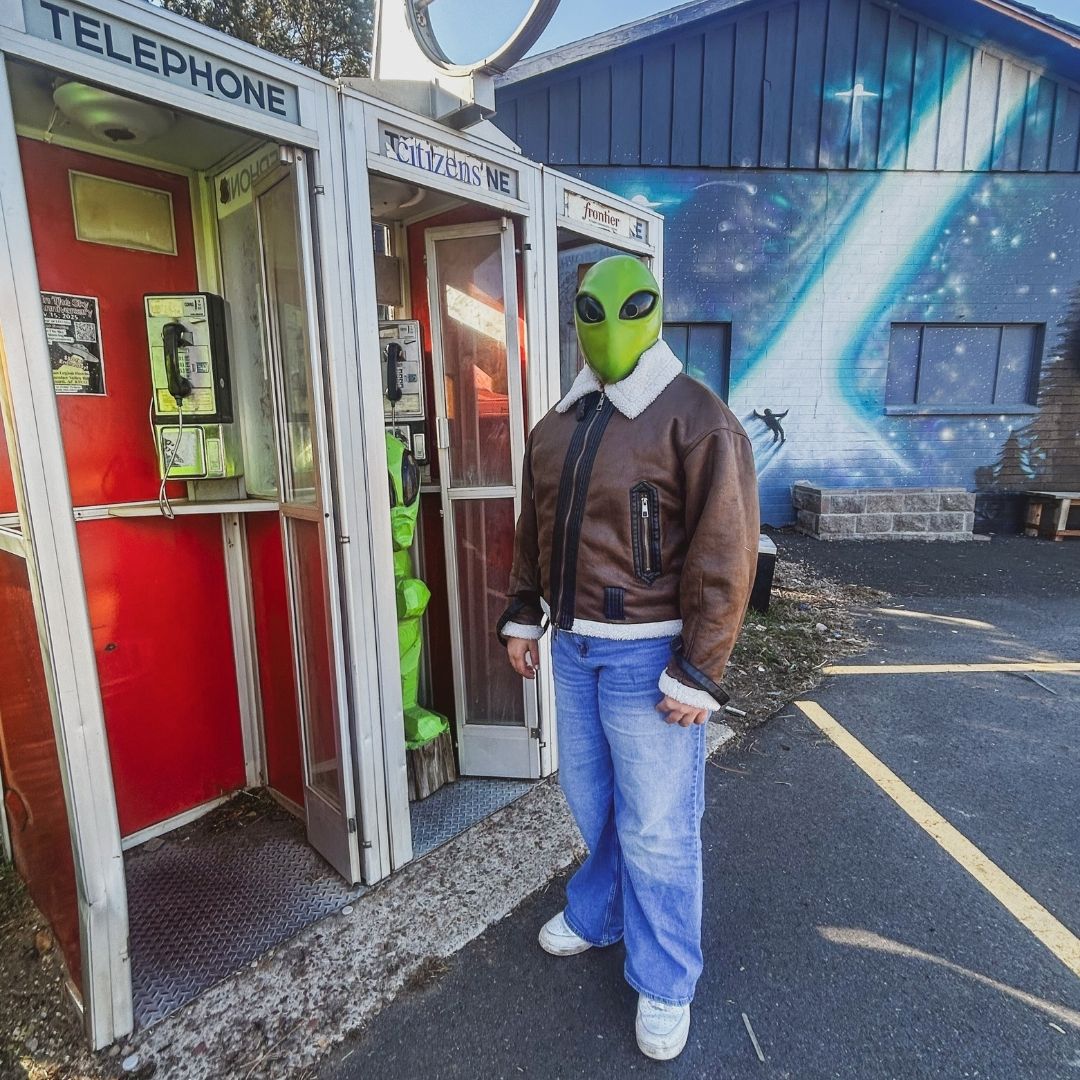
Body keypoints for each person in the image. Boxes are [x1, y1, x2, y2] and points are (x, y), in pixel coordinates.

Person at [496, 256, 760, 1060]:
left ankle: (666, 977)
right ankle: (600, 911)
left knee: (658, 827)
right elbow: (535, 528)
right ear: (575, 317)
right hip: (575, 651)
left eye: (628, 306)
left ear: (654, 311)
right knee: (595, 803)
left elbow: (725, 548)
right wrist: (523, 611)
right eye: (591, 310)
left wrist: (701, 668)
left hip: (652, 657)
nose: (608, 325)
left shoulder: (696, 417)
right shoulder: (558, 424)